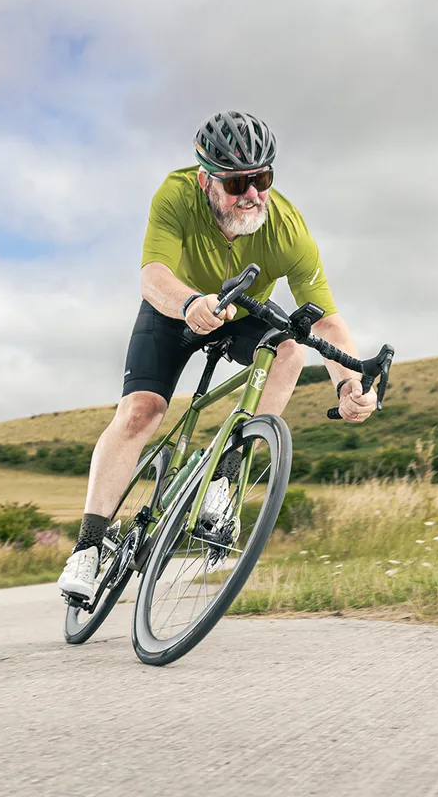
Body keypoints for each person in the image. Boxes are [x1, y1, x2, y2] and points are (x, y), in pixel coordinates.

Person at [59, 110, 376, 599]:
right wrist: (188, 303)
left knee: (288, 347)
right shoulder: (175, 194)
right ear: (207, 179)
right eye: (237, 184)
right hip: (174, 305)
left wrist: (348, 381)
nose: (252, 194)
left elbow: (327, 320)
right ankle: (89, 545)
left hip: (242, 309)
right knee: (142, 412)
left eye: (262, 179)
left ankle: (223, 480)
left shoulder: (287, 229)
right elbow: (152, 276)